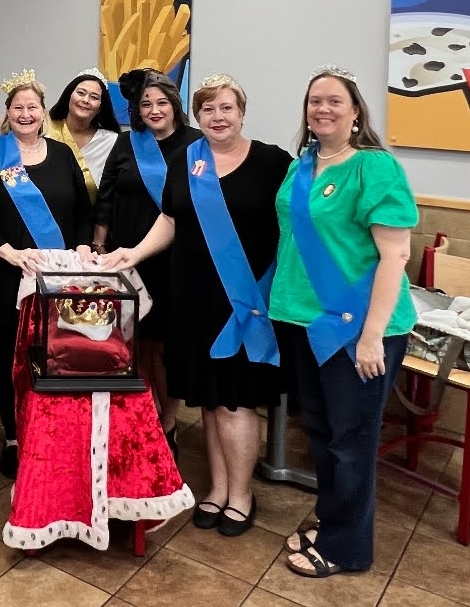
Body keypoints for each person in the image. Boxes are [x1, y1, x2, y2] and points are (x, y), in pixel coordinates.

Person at [105, 74, 291, 537]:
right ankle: (218, 488)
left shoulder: (272, 162)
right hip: (193, 296)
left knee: (235, 401)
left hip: (244, 301)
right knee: (209, 401)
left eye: (226, 108)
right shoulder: (187, 159)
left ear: (242, 113)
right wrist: (135, 252)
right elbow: (170, 219)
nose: (218, 116)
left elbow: (295, 227)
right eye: (208, 109)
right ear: (199, 115)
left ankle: (241, 495)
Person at [270, 65, 417, 578]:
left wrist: (372, 336)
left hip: (358, 328)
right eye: (315, 101)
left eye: (335, 100)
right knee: (320, 431)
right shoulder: (302, 165)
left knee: (351, 441)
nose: (323, 109)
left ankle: (347, 548)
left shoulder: (374, 167)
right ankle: (332, 521)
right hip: (306, 322)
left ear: (356, 111)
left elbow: (395, 255)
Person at [0, 69, 93, 478]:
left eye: (32, 107)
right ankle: (14, 436)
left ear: (43, 111)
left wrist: (84, 246)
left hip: (58, 276)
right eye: (18, 107)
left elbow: (84, 212)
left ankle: (52, 431)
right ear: (8, 112)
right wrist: (7, 251)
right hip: (7, 273)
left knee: (56, 354)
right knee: (10, 356)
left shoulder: (63, 154)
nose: (25, 114)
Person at [93, 69, 200, 456]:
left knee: (166, 349)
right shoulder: (127, 143)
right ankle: (143, 415)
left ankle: (168, 422)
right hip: (127, 258)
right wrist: (98, 245)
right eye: (145, 104)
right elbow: (105, 197)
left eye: (161, 103)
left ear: (174, 105)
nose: (154, 110)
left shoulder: (196, 144)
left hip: (175, 260)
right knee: (135, 345)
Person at [46, 67, 120, 203]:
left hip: (92, 214)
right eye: (81, 93)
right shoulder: (45, 130)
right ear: (69, 95)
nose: (86, 100)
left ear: (100, 107)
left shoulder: (111, 141)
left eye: (94, 97)